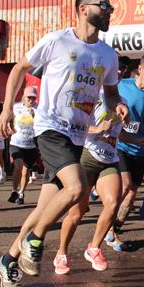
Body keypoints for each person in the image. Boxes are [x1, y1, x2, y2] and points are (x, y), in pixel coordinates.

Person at [0, 0, 125, 287]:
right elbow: (19, 69)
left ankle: (7, 260)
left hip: (78, 136)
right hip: (51, 128)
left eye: (110, 7)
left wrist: (118, 104)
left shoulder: (107, 54)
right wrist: (5, 110)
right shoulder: (57, 40)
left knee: (45, 209)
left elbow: (111, 92)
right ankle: (34, 241)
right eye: (103, 5)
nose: (109, 11)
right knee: (76, 189)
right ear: (82, 9)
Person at [54, 88, 125, 274]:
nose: (117, 73)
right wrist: (98, 129)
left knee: (113, 203)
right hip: (87, 156)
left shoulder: (122, 102)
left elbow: (120, 133)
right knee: (76, 214)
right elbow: (72, 125)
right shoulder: (91, 96)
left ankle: (94, 248)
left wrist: (142, 139)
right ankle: (61, 252)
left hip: (110, 159)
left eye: (121, 69)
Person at [106, 53, 144, 247]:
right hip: (119, 144)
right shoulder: (123, 85)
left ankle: (115, 227)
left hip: (139, 148)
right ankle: (110, 231)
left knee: (131, 195)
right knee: (125, 185)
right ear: (140, 69)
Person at [8, 86, 39, 206]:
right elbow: (9, 117)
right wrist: (9, 126)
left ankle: (21, 193)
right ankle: (14, 190)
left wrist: (35, 116)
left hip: (31, 145)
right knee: (18, 165)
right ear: (24, 98)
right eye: (29, 97)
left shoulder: (38, 109)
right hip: (17, 142)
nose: (31, 100)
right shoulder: (16, 107)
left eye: (33, 98)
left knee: (26, 172)